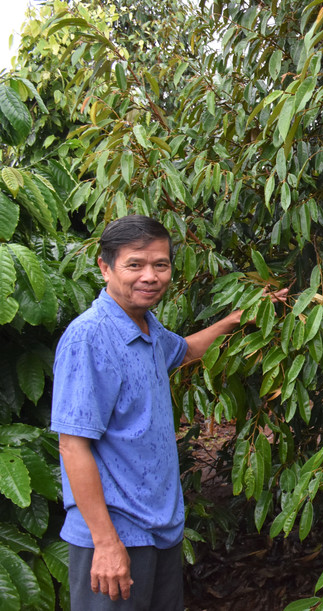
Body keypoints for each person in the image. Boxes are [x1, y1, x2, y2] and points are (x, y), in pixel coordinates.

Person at [51, 215, 285, 609]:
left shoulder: (147, 328)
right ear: (105, 267)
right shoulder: (90, 337)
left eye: (160, 264)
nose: (150, 276)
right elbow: (73, 446)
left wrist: (235, 320)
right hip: (115, 535)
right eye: (135, 264)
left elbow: (186, 351)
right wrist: (106, 544)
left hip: (159, 530)